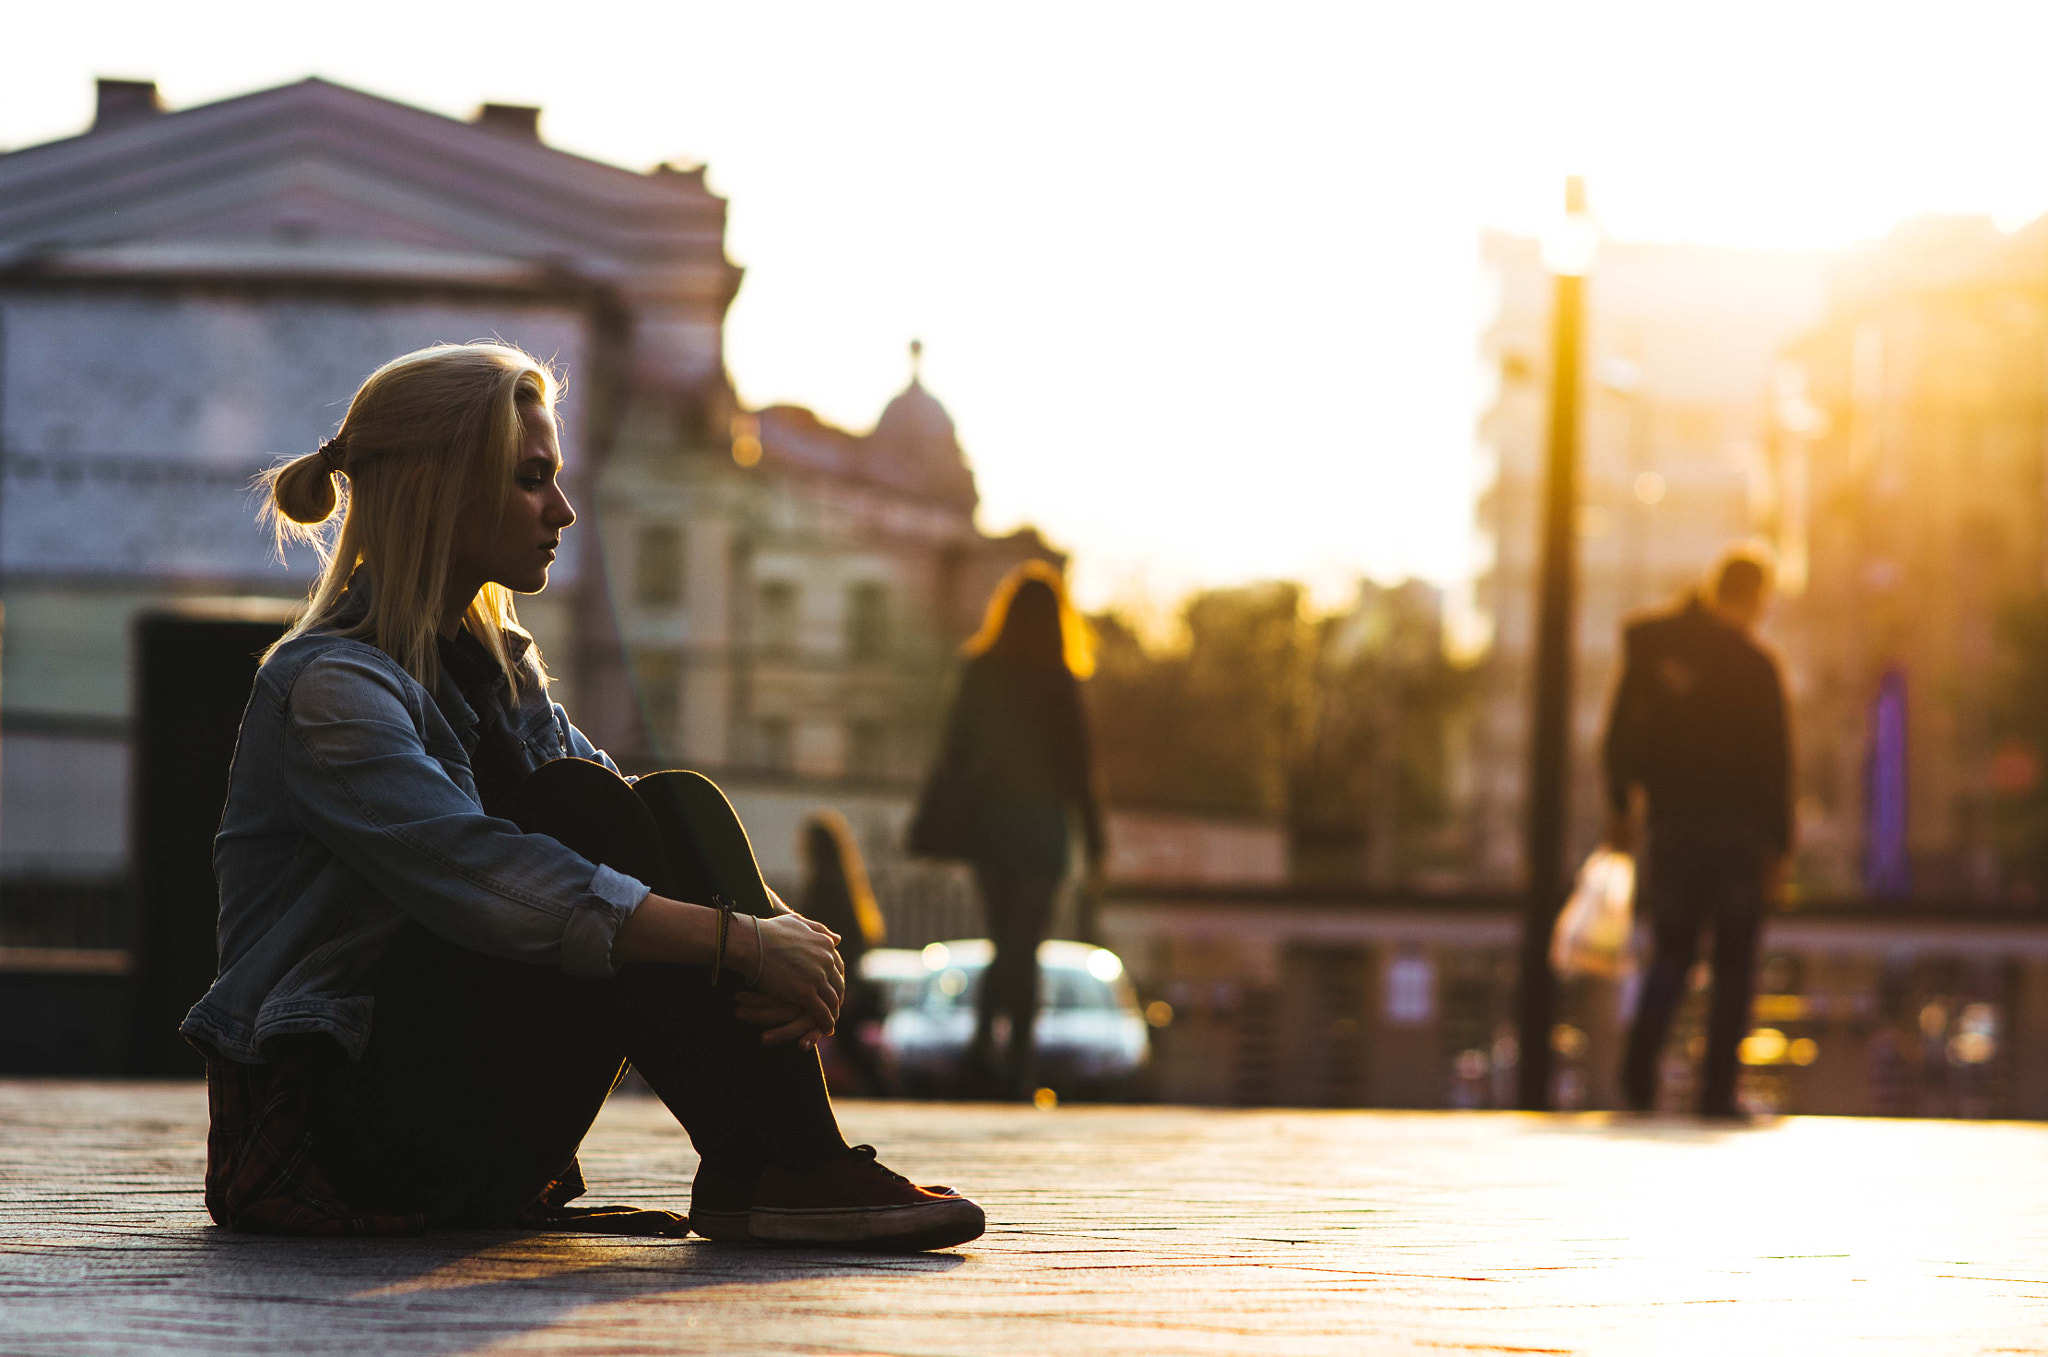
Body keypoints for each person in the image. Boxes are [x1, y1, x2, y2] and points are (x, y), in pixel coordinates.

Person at [179, 342, 982, 1250]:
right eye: (532, 480)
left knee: (672, 799)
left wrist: (788, 939)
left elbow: (645, 828)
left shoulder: (496, 669)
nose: (562, 510)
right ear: (444, 488)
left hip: (442, 1099)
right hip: (329, 1132)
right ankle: (788, 1165)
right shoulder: (328, 688)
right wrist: (745, 943)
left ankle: (769, 1166)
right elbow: (485, 879)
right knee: (584, 816)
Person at [1603, 545, 1792, 1117]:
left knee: (1671, 954)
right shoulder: (1756, 668)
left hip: (1671, 827)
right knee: (1734, 964)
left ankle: (1639, 1071)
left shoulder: (1655, 646)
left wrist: (1621, 805)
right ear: (1756, 599)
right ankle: (1715, 1094)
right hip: (1738, 837)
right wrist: (1779, 849)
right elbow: (1776, 766)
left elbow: (1618, 736)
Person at [910, 561, 1105, 1097]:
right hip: (1043, 829)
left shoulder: (979, 669)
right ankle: (1018, 1064)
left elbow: (953, 752)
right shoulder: (1061, 677)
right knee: (1028, 946)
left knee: (1002, 942)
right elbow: (1080, 769)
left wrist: (935, 823)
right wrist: (1096, 843)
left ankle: (980, 1053)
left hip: (991, 826)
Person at [797, 811, 890, 1093]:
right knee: (848, 1045)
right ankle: (877, 1089)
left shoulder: (823, 888)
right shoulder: (846, 886)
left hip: (829, 976)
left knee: (829, 1040)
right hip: (843, 977)